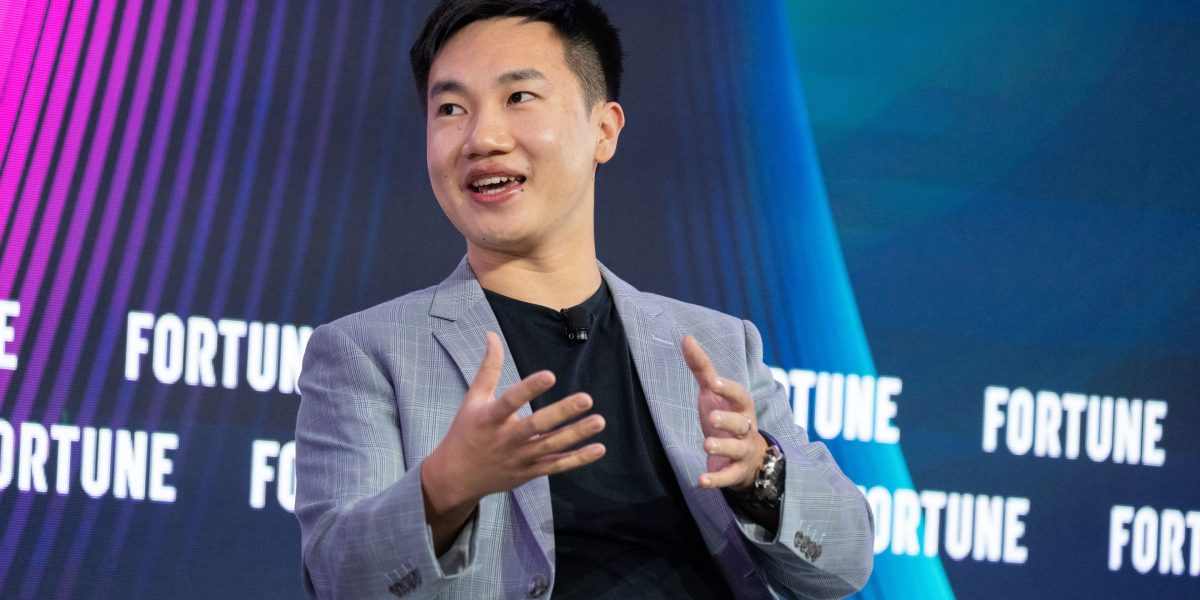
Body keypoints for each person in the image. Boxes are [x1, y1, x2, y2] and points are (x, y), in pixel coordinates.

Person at [295, 1, 874, 598]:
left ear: (604, 130)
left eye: (519, 97)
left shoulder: (716, 346)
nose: (481, 138)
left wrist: (758, 474)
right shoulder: (366, 353)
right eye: (450, 109)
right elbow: (339, 581)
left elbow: (844, 565)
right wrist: (444, 488)